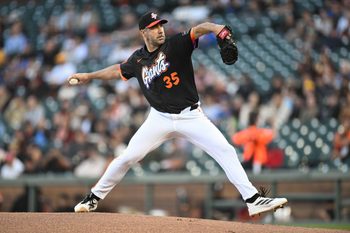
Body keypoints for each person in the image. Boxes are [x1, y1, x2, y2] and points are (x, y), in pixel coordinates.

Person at [70, 12, 287, 217]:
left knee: (225, 150)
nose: (159, 30)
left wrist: (216, 27)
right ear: (143, 32)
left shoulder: (176, 44)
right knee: (128, 157)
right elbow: (118, 70)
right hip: (159, 118)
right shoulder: (137, 60)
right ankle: (93, 197)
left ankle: (253, 200)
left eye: (160, 26)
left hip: (191, 116)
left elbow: (198, 30)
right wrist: (89, 76)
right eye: (153, 27)